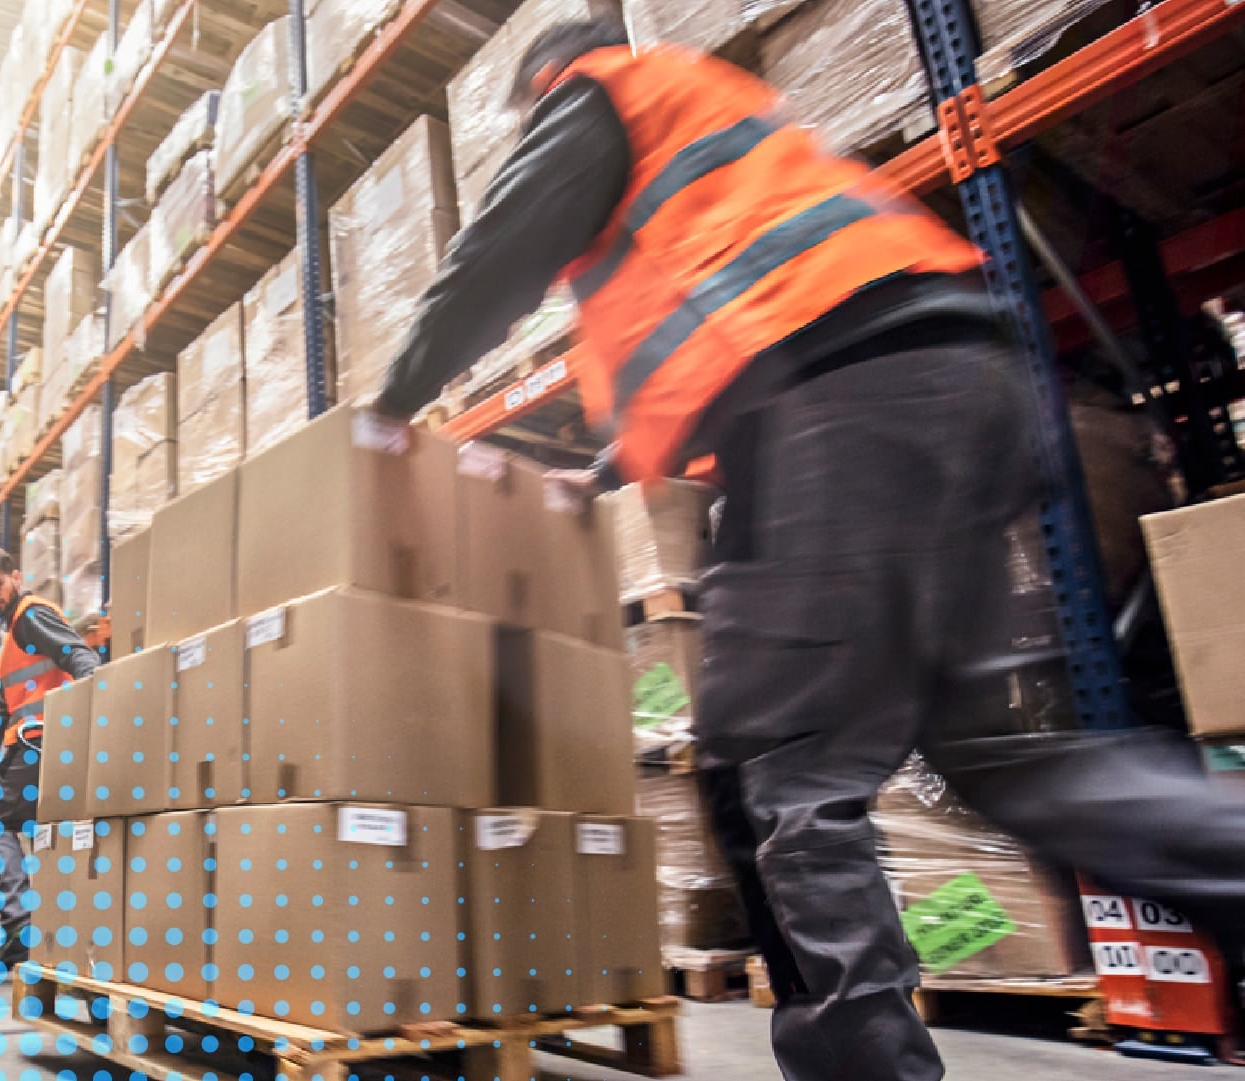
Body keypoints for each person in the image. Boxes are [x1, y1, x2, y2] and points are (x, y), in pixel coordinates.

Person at [370, 11, 1245, 1080]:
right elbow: (700, 335)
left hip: (840, 400)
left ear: (550, 78)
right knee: (1013, 764)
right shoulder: (702, 123)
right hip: (936, 384)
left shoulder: (600, 97)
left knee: (779, 767)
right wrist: (599, 474)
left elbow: (494, 258)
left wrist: (386, 407)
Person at [0, 546, 100, 973]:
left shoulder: (31, 616)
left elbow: (79, 656)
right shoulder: (12, 640)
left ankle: (21, 929)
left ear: (15, 576)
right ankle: (55, 938)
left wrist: (99, 705)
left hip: (38, 743)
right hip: (36, 743)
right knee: (46, 838)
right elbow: (3, 710)